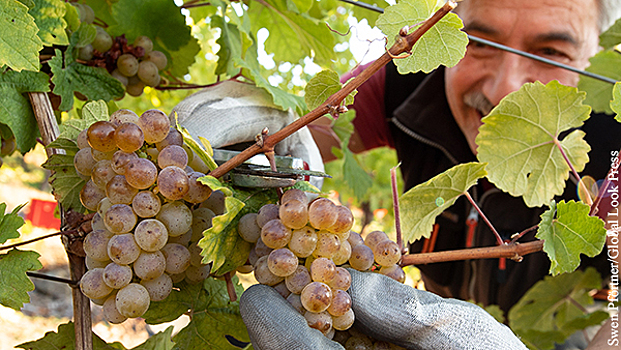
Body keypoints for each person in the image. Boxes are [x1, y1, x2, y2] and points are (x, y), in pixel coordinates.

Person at [174, 0, 621, 348]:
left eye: (551, 51)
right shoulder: (407, 75)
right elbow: (305, 128)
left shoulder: (615, 138)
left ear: (598, 55)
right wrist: (251, 135)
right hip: (423, 314)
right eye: (480, 42)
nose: (504, 88)